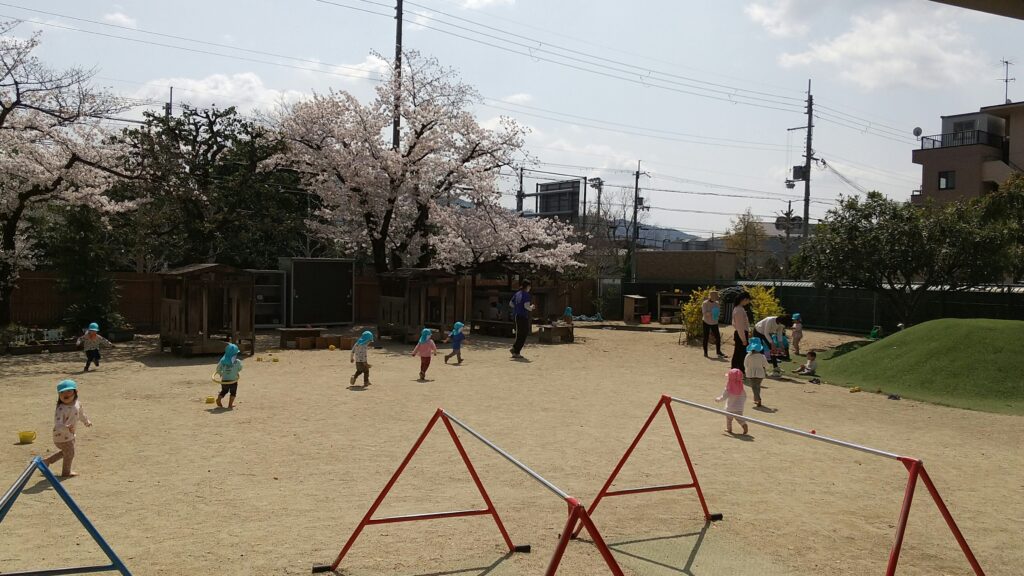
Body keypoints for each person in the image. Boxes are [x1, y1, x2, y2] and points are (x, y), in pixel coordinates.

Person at [43, 380, 92, 478]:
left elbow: (81, 414)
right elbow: (58, 424)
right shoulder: (61, 409)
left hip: (70, 435)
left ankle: (47, 461)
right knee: (70, 453)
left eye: (69, 391)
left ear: (75, 392)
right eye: (62, 392)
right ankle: (66, 472)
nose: (65, 394)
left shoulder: (77, 403)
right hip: (61, 436)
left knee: (67, 452)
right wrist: (66, 427)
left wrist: (86, 422)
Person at [715, 369, 748, 435]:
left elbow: (724, 396)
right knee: (739, 419)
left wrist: (718, 399)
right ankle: (744, 425)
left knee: (729, 419)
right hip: (739, 407)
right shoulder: (741, 388)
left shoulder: (728, 388)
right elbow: (744, 396)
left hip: (730, 407)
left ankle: (729, 429)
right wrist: (742, 403)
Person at [509, 279, 535, 359]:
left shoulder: (517, 293)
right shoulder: (526, 295)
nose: (530, 288)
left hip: (517, 315)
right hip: (523, 316)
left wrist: (517, 308)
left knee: (519, 333)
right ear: (527, 286)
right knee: (524, 333)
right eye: (530, 286)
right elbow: (526, 306)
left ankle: (515, 349)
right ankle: (516, 351)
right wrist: (531, 307)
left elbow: (511, 303)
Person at [743, 338, 770, 408]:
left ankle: (758, 398)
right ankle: (756, 398)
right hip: (760, 373)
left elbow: (745, 364)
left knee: (753, 386)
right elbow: (766, 365)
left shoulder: (748, 356)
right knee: (757, 386)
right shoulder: (762, 356)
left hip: (751, 373)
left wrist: (746, 371)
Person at [215, 343, 243, 408]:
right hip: (233, 380)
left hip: (224, 380)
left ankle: (219, 399)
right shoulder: (238, 362)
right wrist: (235, 372)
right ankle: (230, 405)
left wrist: (221, 373)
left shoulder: (222, 361)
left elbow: (218, 369)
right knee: (233, 392)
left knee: (224, 391)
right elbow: (240, 368)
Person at [730, 292, 752, 373]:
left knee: (739, 353)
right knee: (740, 354)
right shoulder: (739, 310)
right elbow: (740, 327)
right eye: (748, 300)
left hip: (742, 333)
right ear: (744, 299)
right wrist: (743, 339)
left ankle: (737, 370)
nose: (748, 302)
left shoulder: (739, 308)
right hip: (741, 334)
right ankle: (738, 370)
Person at [701, 291, 726, 359]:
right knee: (706, 337)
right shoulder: (705, 303)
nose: (717, 298)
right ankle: (705, 352)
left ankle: (718, 351)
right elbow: (704, 313)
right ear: (711, 297)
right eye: (716, 297)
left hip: (714, 322)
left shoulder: (717, 303)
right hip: (706, 321)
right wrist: (712, 312)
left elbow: (718, 312)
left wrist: (717, 314)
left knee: (718, 337)